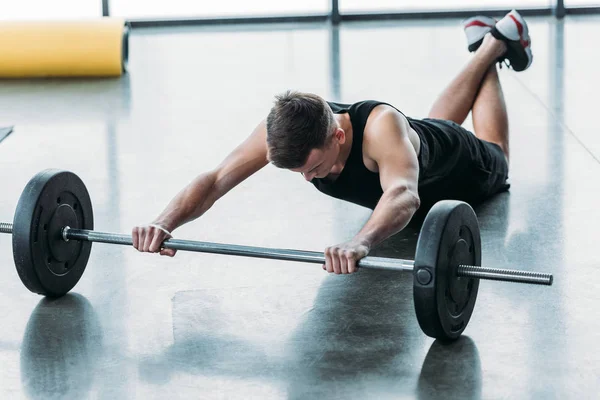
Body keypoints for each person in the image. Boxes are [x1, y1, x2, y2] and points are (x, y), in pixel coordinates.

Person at [132, 10, 533, 275]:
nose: (308, 180)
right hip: (425, 142)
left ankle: (496, 42)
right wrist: (163, 222)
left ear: (338, 135)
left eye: (312, 168)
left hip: (462, 166)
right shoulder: (284, 126)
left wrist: (360, 242)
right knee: (436, 124)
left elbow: (405, 194)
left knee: (495, 150)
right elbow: (217, 179)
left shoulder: (381, 127)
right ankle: (490, 39)